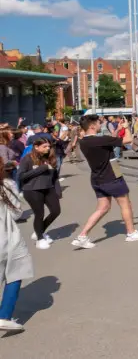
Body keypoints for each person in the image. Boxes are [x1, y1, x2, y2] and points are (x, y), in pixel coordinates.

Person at [72, 114, 138, 249]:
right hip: (112, 175)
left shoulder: (84, 141)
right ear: (92, 126)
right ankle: (131, 233)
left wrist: (117, 130)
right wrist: (126, 128)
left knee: (103, 208)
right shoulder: (101, 139)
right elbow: (128, 140)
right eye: (98, 123)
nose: (100, 125)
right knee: (125, 203)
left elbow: (109, 141)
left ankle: (82, 236)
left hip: (97, 177)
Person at [0, 159, 32, 333]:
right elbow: (16, 213)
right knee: (15, 272)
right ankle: (4, 316)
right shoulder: (7, 184)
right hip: (6, 236)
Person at [17, 138, 61, 249]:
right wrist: (41, 168)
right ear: (36, 147)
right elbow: (21, 176)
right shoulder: (27, 159)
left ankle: (39, 231)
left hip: (49, 189)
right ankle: (40, 239)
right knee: (39, 214)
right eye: (44, 146)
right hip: (32, 190)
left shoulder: (50, 158)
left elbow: (55, 177)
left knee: (56, 211)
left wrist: (58, 190)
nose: (48, 148)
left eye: (49, 146)